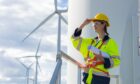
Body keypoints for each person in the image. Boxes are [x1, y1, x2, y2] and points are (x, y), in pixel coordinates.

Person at [71, 13, 120, 84]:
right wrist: (83, 25)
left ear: (104, 24)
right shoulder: (91, 42)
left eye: (96, 23)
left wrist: (102, 59)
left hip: (101, 79)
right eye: (93, 24)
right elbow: (75, 40)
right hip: (88, 77)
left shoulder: (110, 42)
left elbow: (116, 60)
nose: (94, 25)